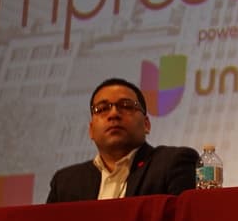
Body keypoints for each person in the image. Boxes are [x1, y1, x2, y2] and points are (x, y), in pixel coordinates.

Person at [47, 78, 199, 202]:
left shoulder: (172, 163)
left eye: (126, 106)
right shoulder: (66, 183)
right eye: (102, 109)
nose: (113, 114)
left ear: (146, 124)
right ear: (91, 130)